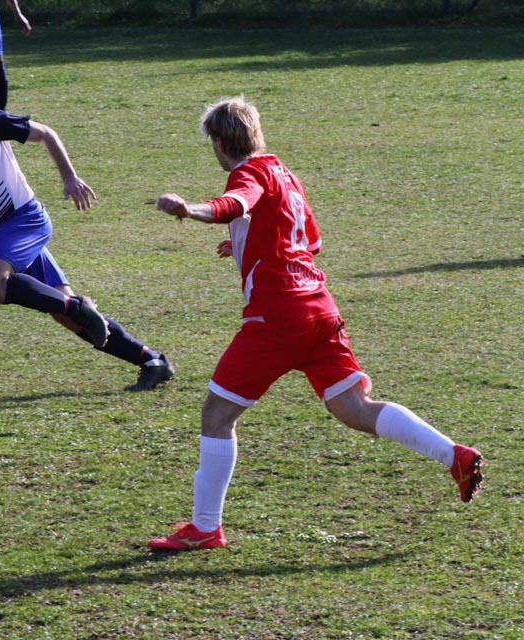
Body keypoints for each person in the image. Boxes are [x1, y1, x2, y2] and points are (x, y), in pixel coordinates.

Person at [147, 97, 483, 551]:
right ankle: (454, 455)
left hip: (277, 317)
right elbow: (308, 241)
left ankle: (205, 527)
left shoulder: (248, 174)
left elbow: (232, 204)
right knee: (354, 409)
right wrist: (245, 243)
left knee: (217, 414)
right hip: (318, 309)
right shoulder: (285, 174)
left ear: (221, 143)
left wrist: (189, 209)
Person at [0, 55, 174, 391]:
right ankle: (152, 361)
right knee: (67, 317)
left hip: (25, 219)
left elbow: (45, 134)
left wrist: (70, 178)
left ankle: (77, 306)